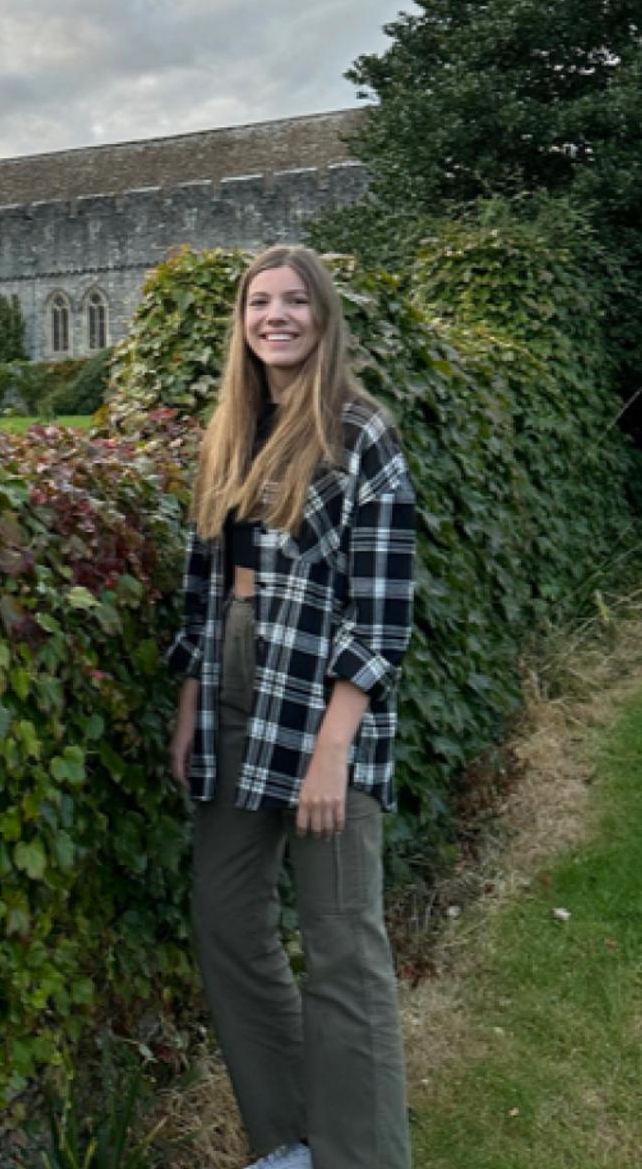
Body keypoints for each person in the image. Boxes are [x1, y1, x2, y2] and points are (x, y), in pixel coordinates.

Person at [167, 245, 416, 1169]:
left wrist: (331, 750)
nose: (276, 316)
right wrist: (192, 700)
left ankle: (364, 1158)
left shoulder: (361, 433)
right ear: (242, 322)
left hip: (323, 698)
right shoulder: (230, 431)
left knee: (343, 945)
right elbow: (204, 581)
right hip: (234, 682)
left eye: (295, 301)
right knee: (227, 917)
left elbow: (383, 610)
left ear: (324, 317)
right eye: (259, 302)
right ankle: (288, 1142)